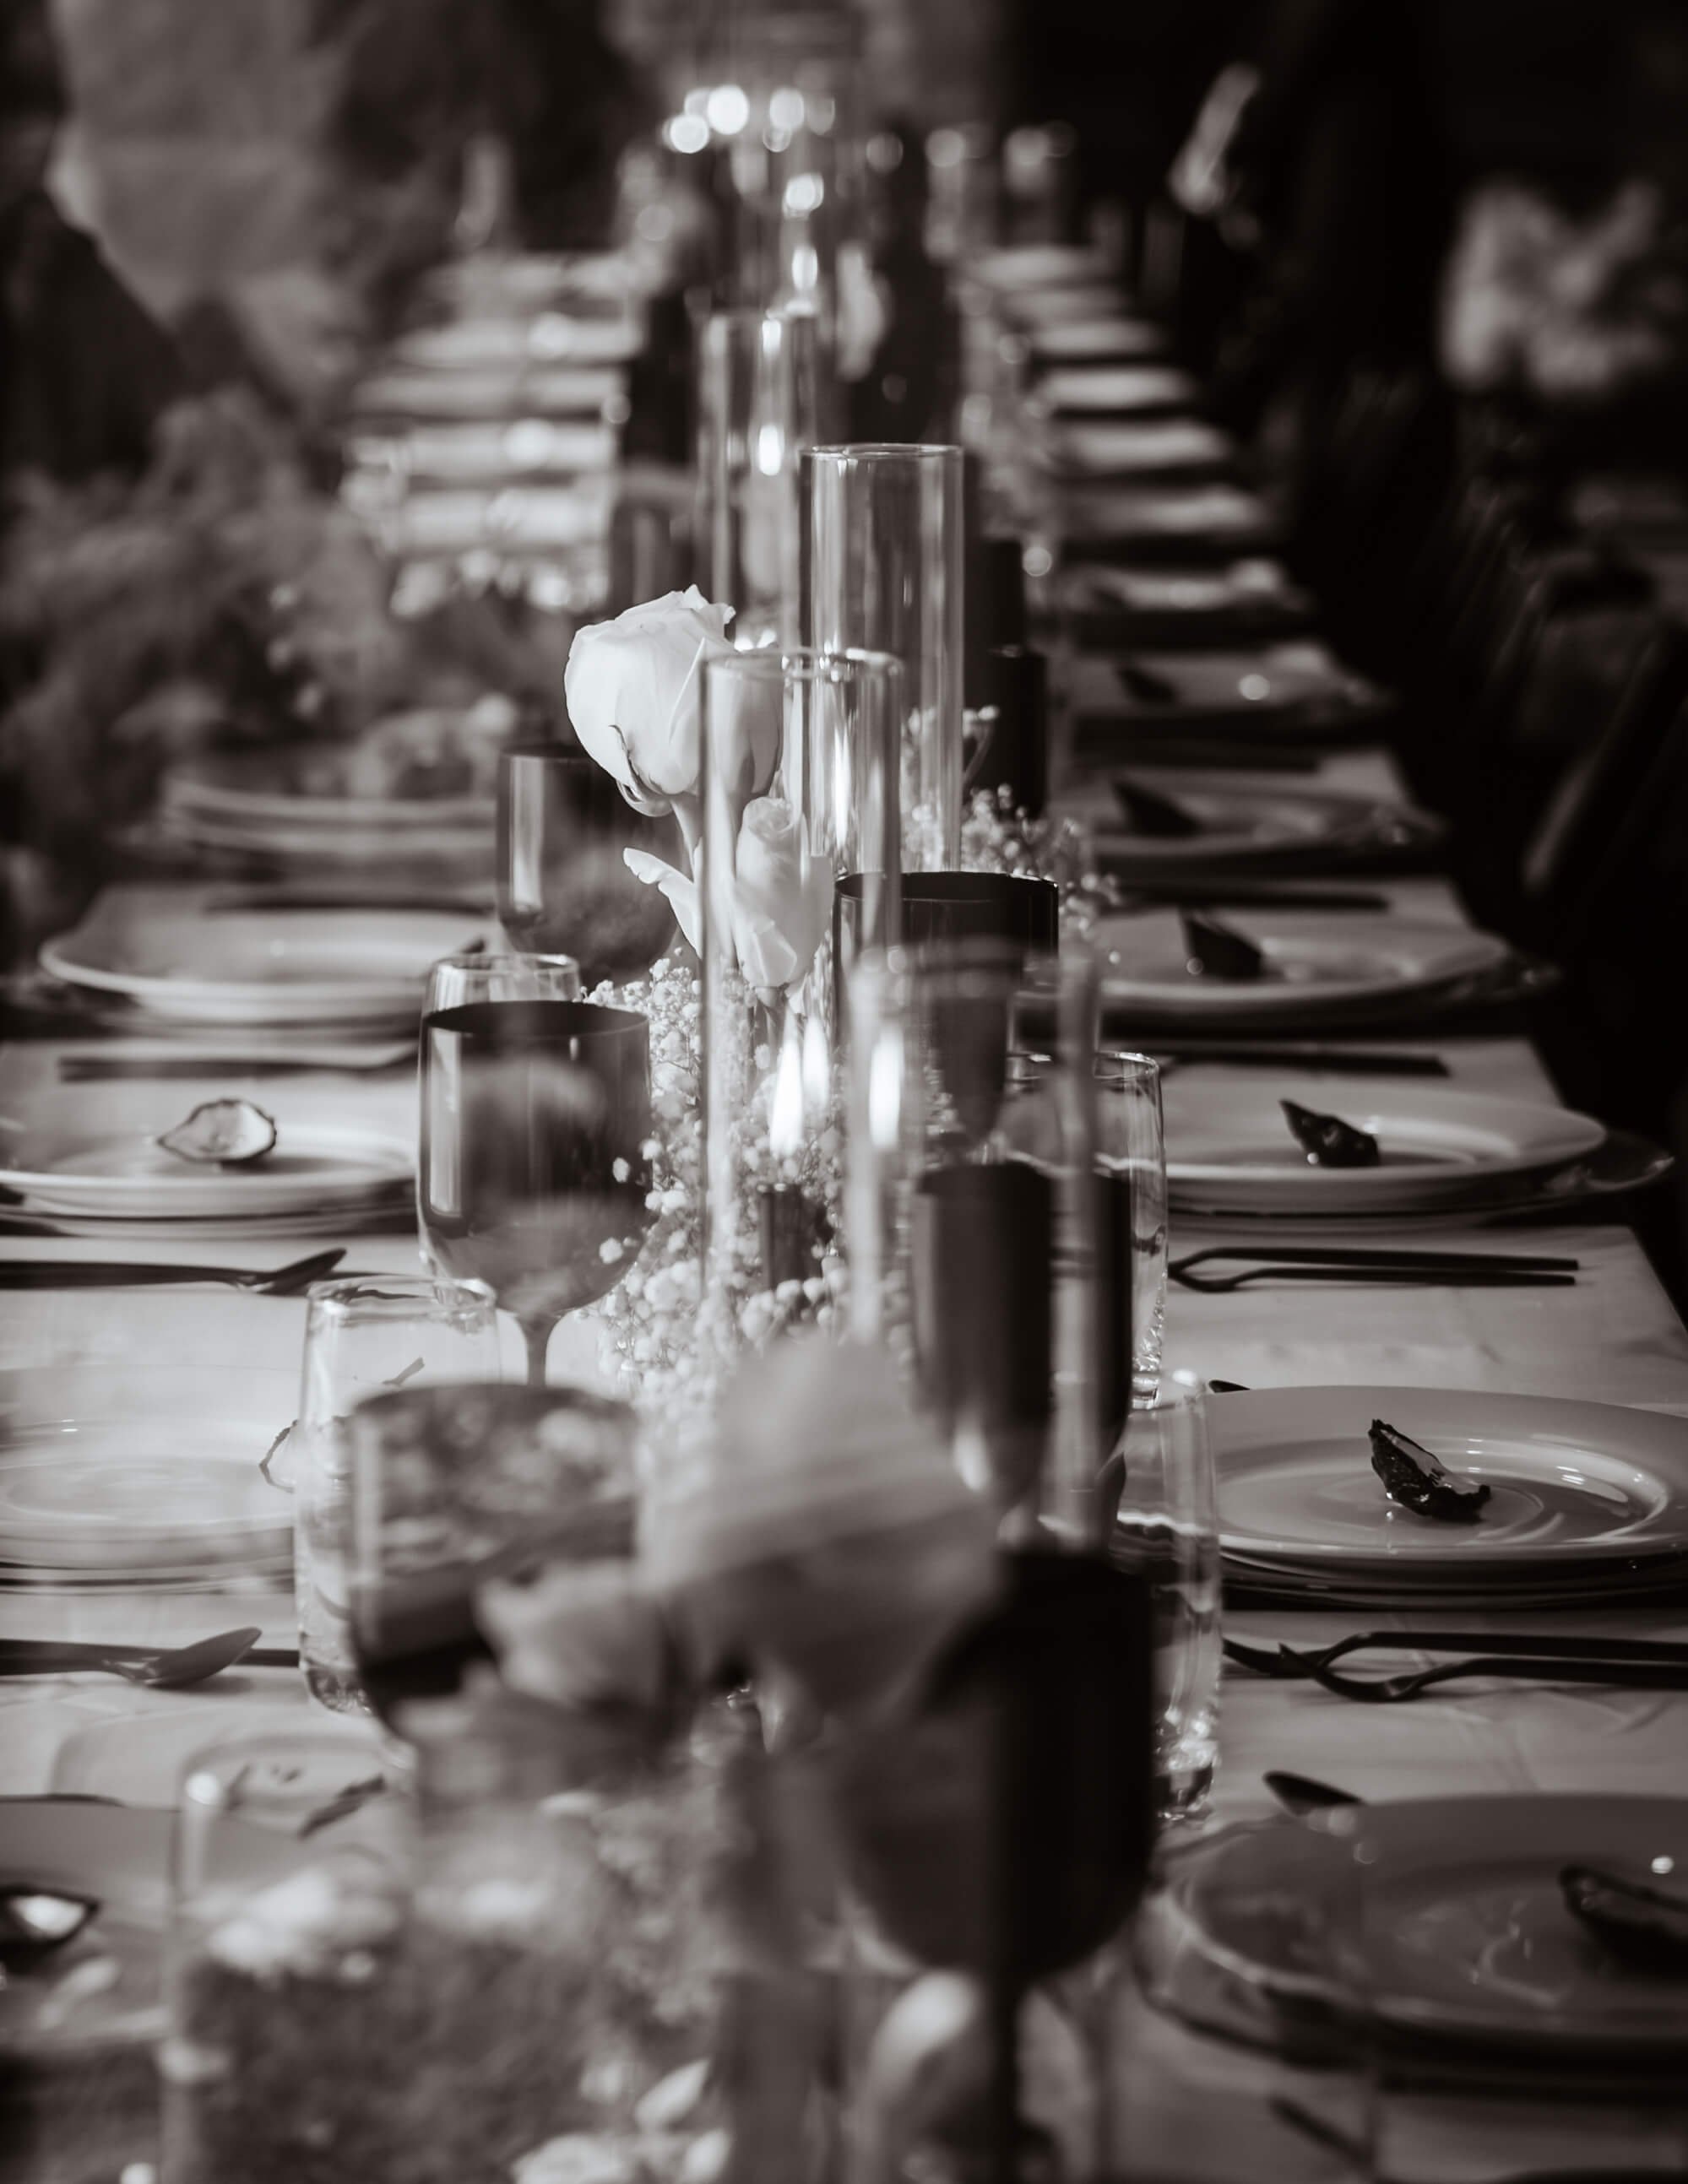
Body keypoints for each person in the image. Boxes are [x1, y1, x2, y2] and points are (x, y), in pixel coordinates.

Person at [0, 3, 182, 485]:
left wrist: (173, 419)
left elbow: (142, 373)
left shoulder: (54, 255)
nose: (33, 147)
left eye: (42, 132)